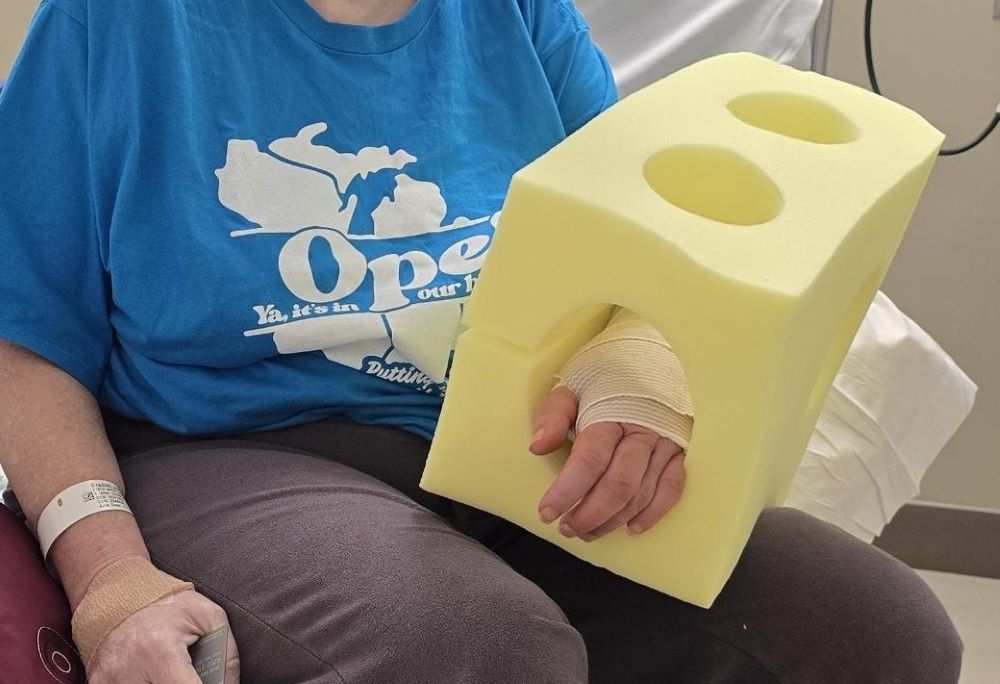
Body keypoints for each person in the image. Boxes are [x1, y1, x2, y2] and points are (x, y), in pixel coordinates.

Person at [0, 0, 962, 682]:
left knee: (871, 626)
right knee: (481, 649)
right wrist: (109, 578)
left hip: (496, 443)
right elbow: (22, 335)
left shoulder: (518, 12)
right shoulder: (121, 23)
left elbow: (632, 253)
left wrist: (634, 373)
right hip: (230, 450)